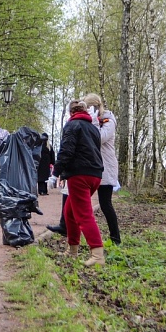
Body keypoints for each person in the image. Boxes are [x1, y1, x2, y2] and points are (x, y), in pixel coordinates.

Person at [51, 99, 105, 266]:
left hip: (80, 175)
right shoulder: (93, 128)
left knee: (83, 214)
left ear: (70, 113)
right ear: (85, 111)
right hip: (95, 175)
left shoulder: (72, 126)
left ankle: (97, 255)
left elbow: (66, 151)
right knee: (70, 213)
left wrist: (56, 173)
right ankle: (72, 250)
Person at [82, 93, 121, 245]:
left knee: (105, 204)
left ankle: (115, 238)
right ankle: (71, 230)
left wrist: (92, 121)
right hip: (92, 167)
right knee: (81, 203)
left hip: (106, 167)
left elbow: (99, 138)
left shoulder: (108, 121)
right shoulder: (93, 120)